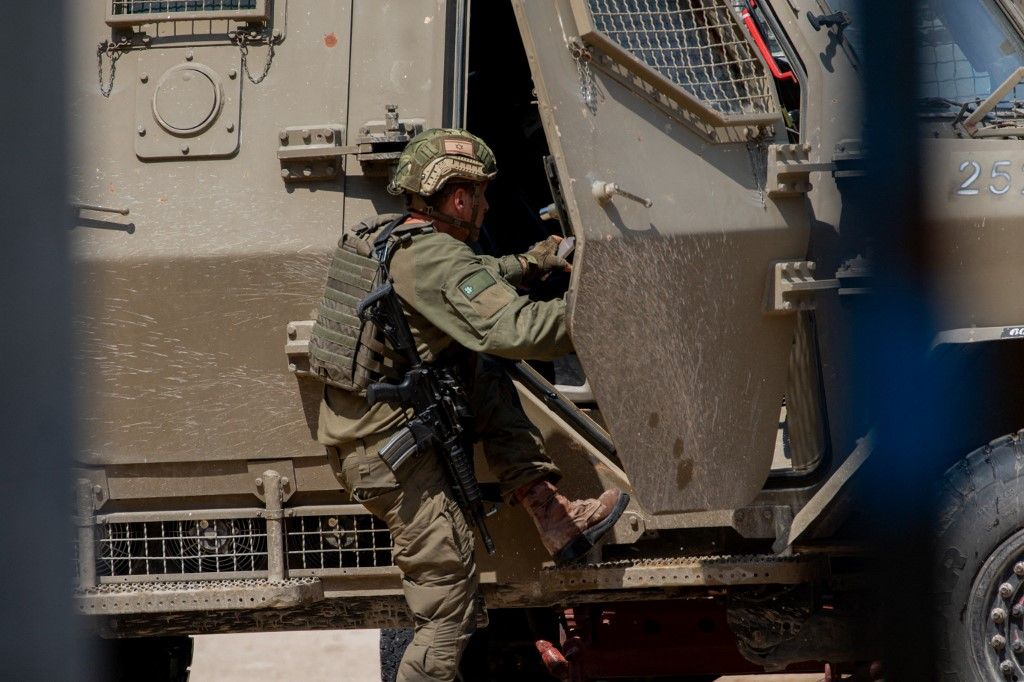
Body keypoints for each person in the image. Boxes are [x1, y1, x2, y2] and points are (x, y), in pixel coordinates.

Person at [312, 128, 628, 681]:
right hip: (391, 460)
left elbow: (473, 278)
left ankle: (549, 513)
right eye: (481, 194)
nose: (485, 205)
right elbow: (514, 329)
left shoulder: (400, 238)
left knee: (480, 364)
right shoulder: (432, 256)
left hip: (373, 443)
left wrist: (536, 260)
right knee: (446, 615)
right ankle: (550, 515)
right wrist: (606, 311)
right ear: (458, 199)